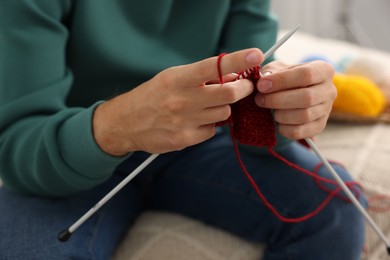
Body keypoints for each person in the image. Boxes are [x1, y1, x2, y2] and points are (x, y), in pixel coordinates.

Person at [0, 1, 366, 259]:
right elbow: (18, 141)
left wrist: (288, 108)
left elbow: (255, 111)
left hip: (204, 141)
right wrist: (118, 126)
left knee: (336, 208)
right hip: (69, 146)